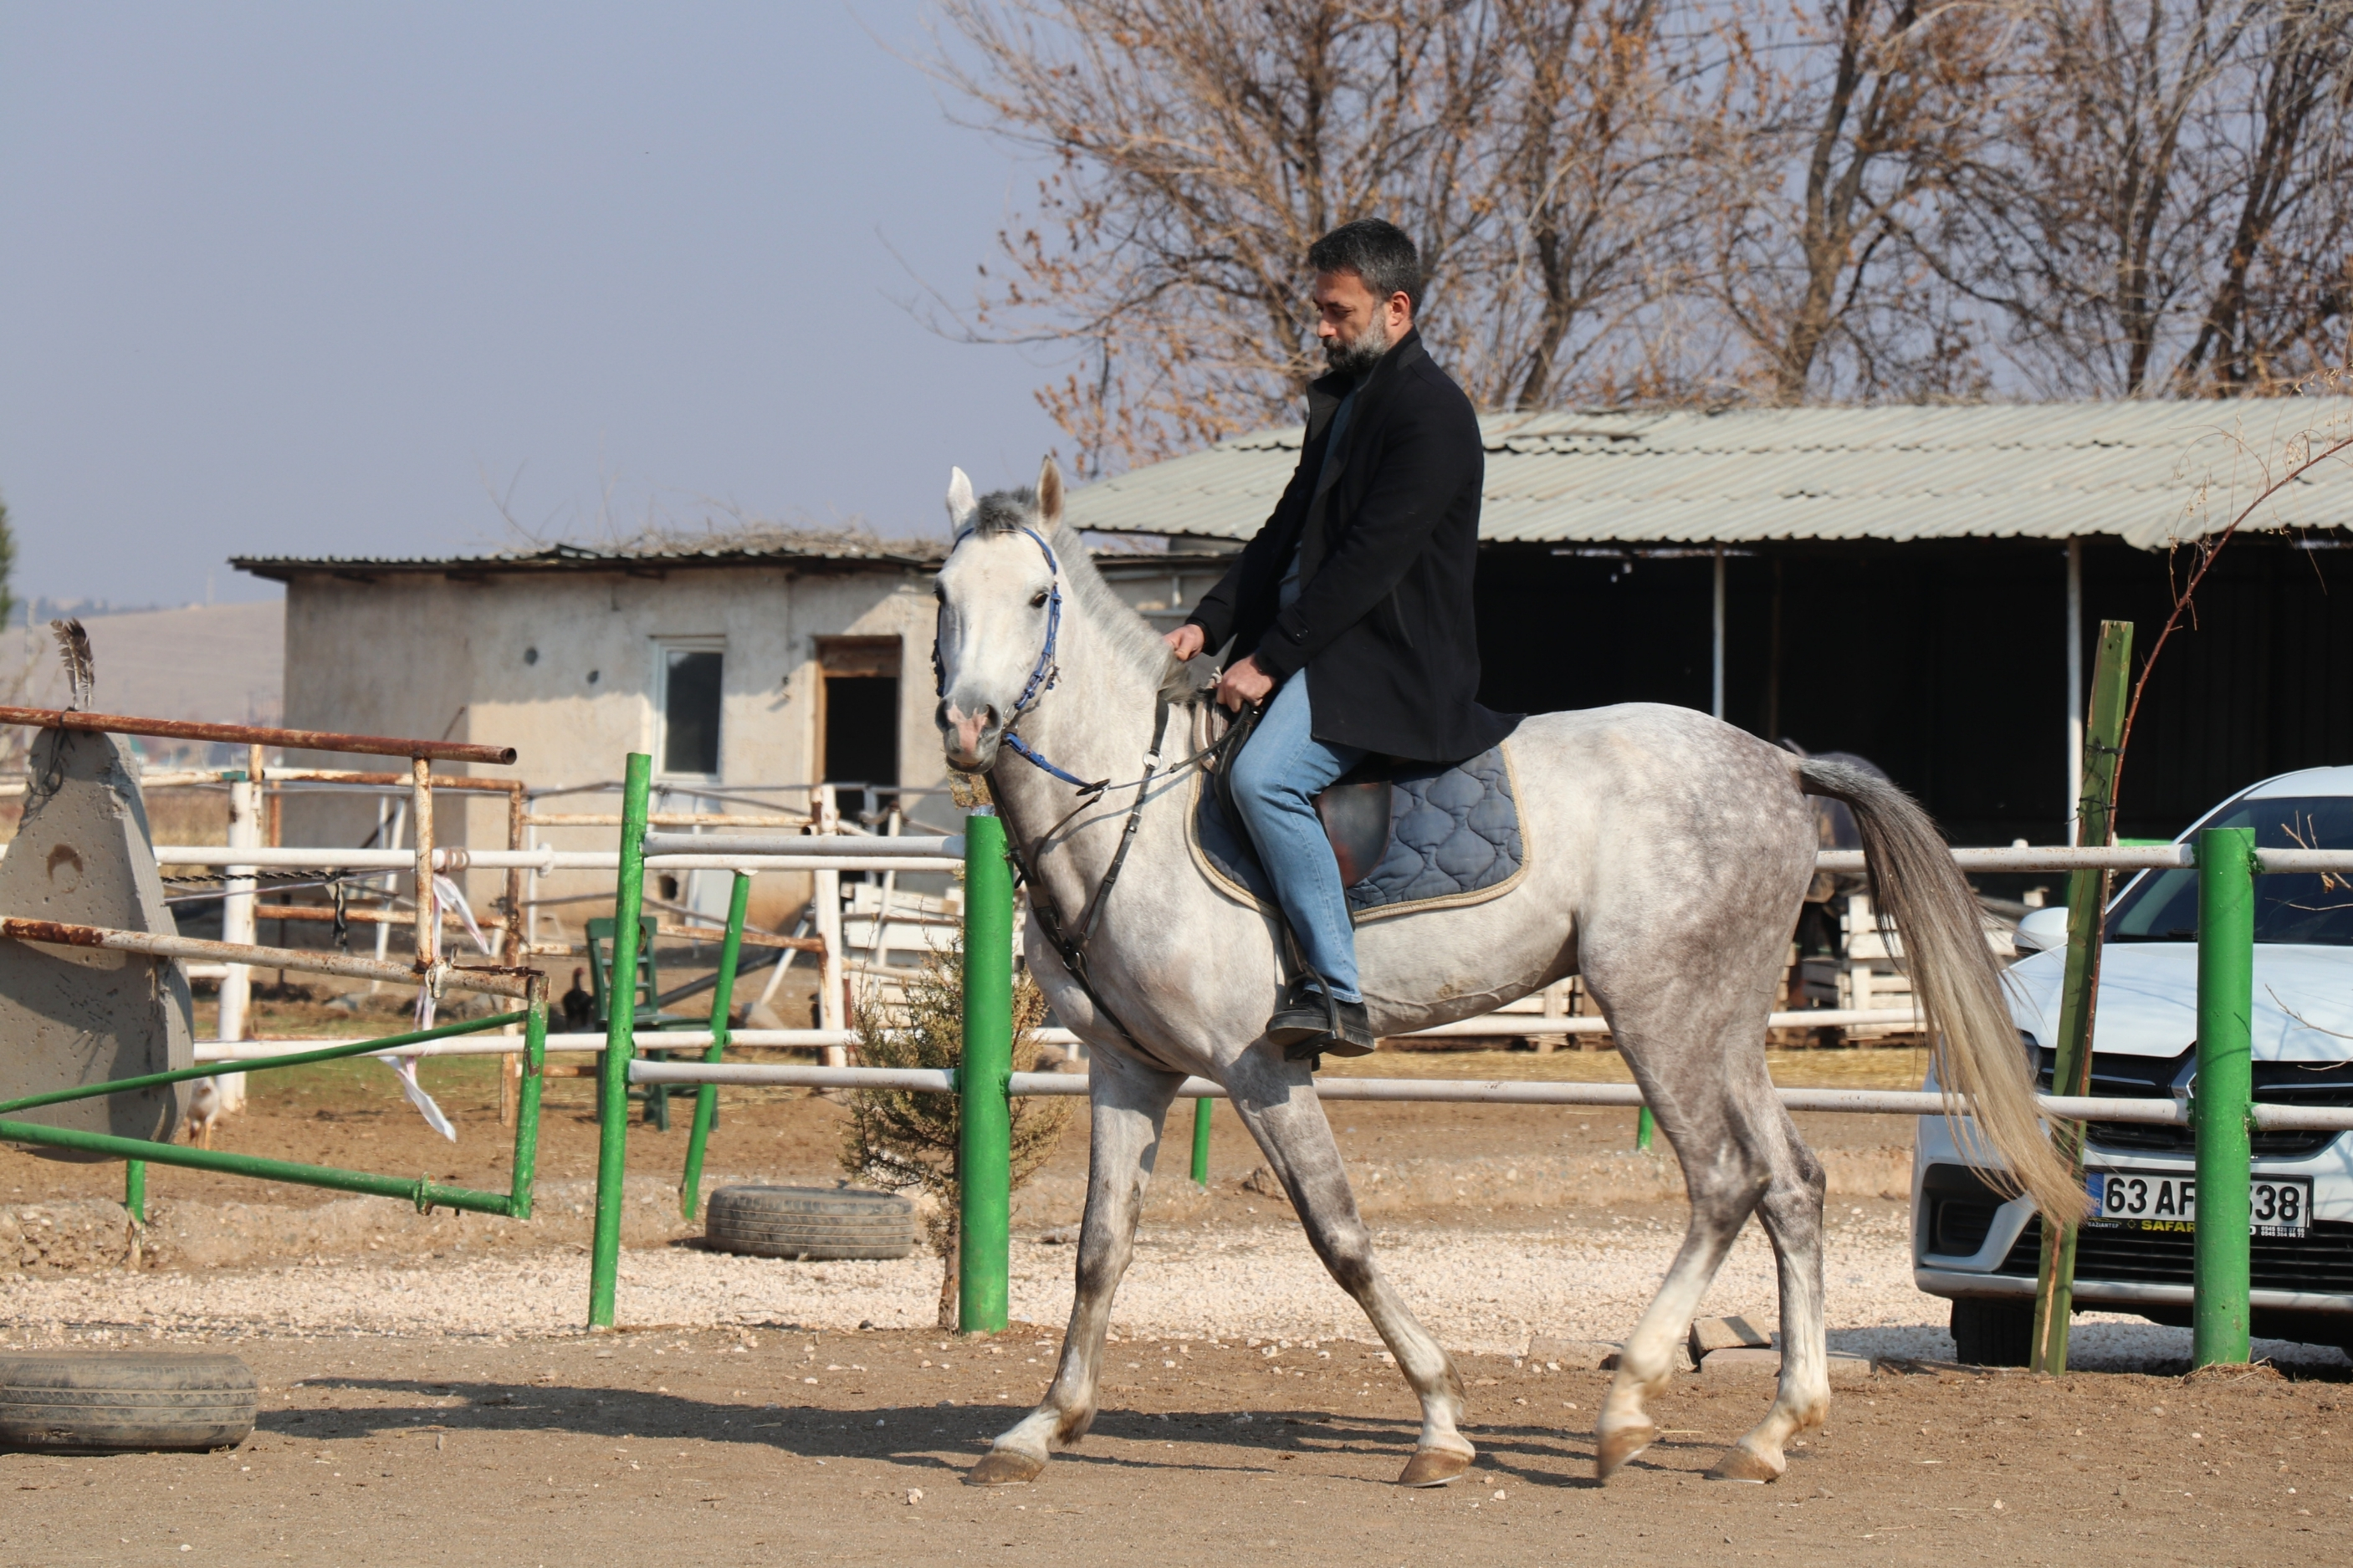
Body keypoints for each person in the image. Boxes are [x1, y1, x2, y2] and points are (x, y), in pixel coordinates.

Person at [1166, 219, 1517, 1058]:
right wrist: (1210, 621)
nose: (1319, 329)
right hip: (1318, 650)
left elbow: (1367, 565)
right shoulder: (1345, 404)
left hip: (1381, 666)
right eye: (1318, 311)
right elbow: (1284, 530)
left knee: (1262, 779)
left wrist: (1263, 660)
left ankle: (1335, 992)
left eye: (1336, 312)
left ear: (1395, 309)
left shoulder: (1431, 415)